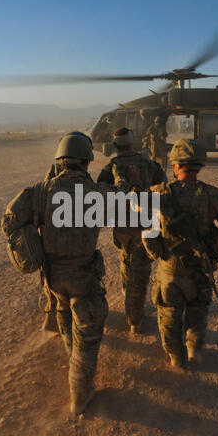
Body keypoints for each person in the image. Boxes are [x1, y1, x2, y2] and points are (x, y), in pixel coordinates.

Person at [1, 131, 141, 414]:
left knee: (65, 318)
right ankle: (81, 394)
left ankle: (73, 356)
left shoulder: (39, 191)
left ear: (60, 160)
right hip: (84, 278)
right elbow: (124, 197)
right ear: (87, 161)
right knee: (88, 339)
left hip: (53, 278)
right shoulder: (95, 194)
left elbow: (10, 222)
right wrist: (124, 179)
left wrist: (32, 246)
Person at [142, 139, 218, 368]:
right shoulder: (213, 195)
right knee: (197, 312)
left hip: (170, 270)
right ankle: (193, 348)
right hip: (200, 269)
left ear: (175, 165)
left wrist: (158, 254)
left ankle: (175, 356)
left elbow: (147, 231)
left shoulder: (157, 193)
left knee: (168, 316)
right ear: (198, 166)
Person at [97, 127, 165, 334]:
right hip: (146, 226)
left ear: (115, 146)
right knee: (142, 269)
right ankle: (135, 318)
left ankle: (131, 302)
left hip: (124, 228)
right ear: (132, 143)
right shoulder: (151, 165)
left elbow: (101, 194)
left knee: (126, 261)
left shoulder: (111, 168)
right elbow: (164, 191)